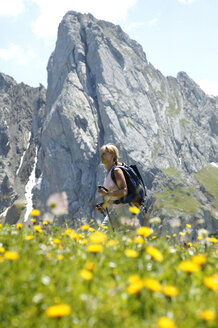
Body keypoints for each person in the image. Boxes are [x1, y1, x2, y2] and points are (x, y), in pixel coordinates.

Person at [96, 144, 140, 230]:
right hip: (114, 211)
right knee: (101, 235)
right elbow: (114, 195)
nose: (101, 156)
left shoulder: (116, 170)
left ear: (112, 155)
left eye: (104, 154)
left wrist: (106, 193)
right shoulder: (108, 173)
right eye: (101, 154)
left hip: (125, 209)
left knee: (137, 237)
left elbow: (124, 191)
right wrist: (103, 206)